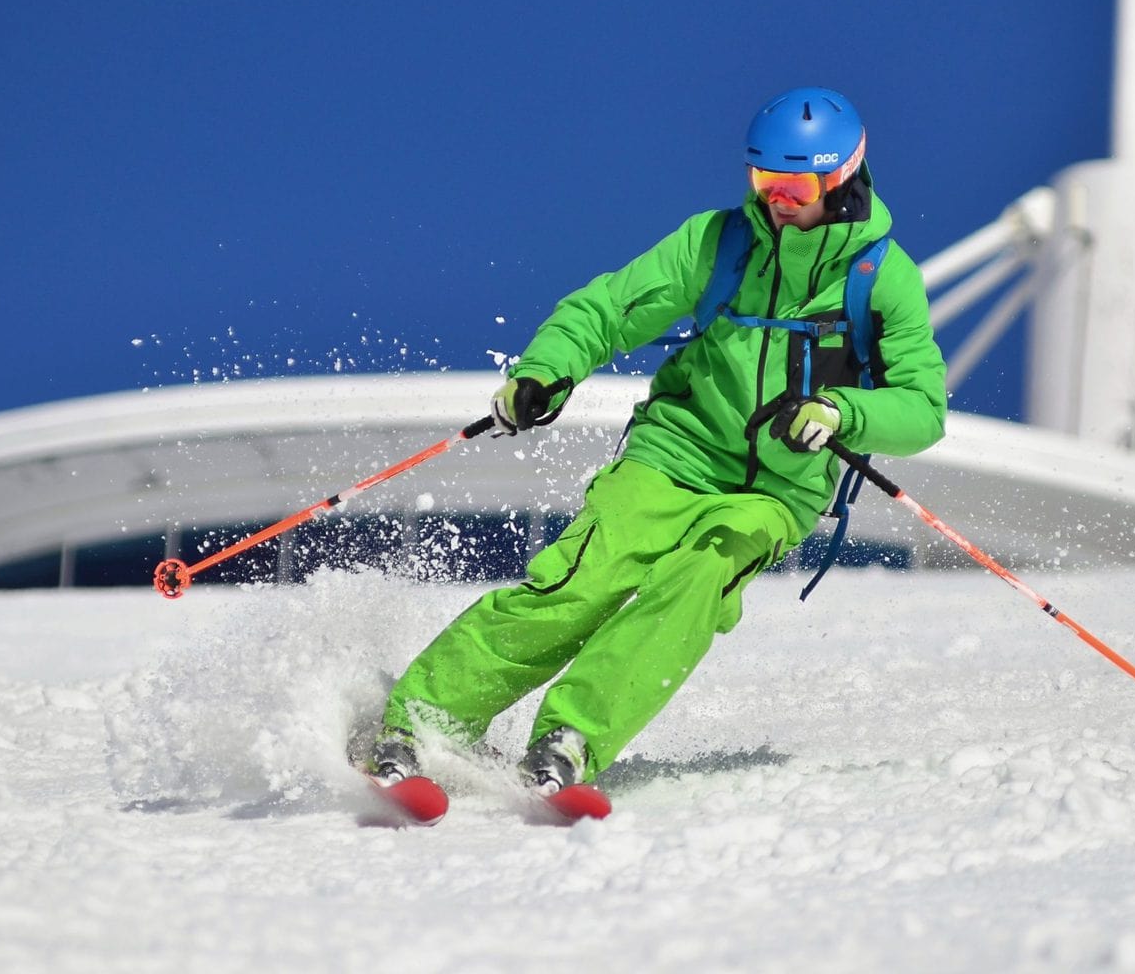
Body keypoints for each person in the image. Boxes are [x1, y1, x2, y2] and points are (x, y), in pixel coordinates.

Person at [367, 86, 947, 793]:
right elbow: (607, 309)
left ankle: (572, 736)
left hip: (777, 489)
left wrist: (842, 412)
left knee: (700, 577)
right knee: (585, 578)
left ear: (841, 177)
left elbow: (923, 407)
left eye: (794, 184)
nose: (776, 198)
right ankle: (421, 720)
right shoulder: (720, 243)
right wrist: (545, 373)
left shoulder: (882, 279)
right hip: (676, 452)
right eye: (763, 178)